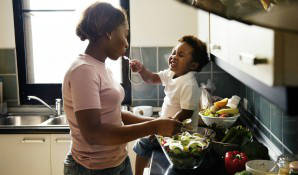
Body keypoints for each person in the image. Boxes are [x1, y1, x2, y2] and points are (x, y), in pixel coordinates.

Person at [62, 2, 182, 175]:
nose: (126, 43)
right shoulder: (84, 70)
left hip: (117, 161)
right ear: (109, 33)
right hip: (92, 169)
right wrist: (154, 127)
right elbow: (93, 133)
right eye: (125, 35)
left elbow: (114, 114)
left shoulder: (101, 67)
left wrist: (157, 123)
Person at [130, 35, 209, 175]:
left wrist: (162, 127)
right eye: (174, 52)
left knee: (143, 143)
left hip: (179, 132)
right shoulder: (171, 73)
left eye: (181, 55)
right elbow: (152, 78)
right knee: (144, 141)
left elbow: (186, 113)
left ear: (193, 65)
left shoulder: (189, 84)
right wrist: (141, 70)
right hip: (165, 127)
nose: (174, 56)